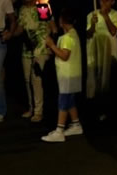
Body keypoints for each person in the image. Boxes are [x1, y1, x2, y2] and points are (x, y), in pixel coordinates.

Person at [41, 8, 84, 142]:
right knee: (70, 100)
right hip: (73, 73)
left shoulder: (67, 37)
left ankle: (59, 131)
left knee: (63, 101)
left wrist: (51, 45)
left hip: (67, 74)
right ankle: (76, 124)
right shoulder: (73, 34)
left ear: (62, 21)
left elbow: (64, 56)